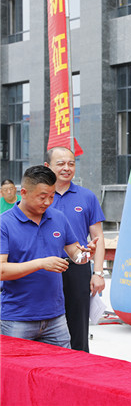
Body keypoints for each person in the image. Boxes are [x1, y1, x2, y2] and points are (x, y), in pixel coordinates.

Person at [1, 165, 98, 347]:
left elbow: (75, 254)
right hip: (17, 318)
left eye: (52, 196)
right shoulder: (4, 224)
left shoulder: (58, 218)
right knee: (17, 365)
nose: (47, 202)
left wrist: (86, 255)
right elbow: (1, 270)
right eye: (42, 197)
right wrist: (40, 264)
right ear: (24, 193)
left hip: (56, 317)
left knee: (62, 364)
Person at [45, 146, 106, 352]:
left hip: (77, 266)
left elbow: (98, 237)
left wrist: (98, 273)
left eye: (71, 163)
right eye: (60, 163)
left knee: (78, 326)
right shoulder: (42, 197)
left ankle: (80, 363)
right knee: (44, 323)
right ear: (47, 166)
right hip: (45, 268)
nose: (67, 168)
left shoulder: (86, 197)